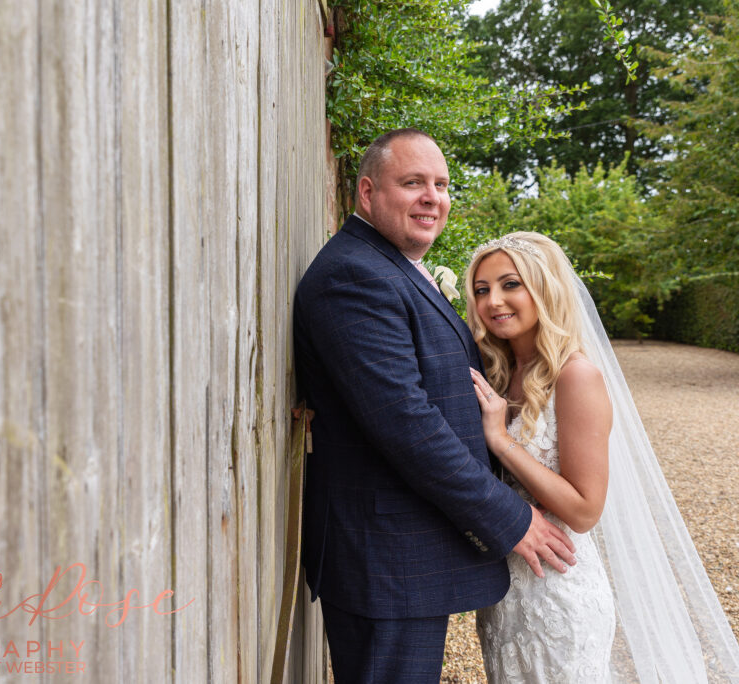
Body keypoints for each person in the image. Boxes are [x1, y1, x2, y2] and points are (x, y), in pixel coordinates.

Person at [292, 129, 576, 684]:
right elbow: (408, 424)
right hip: (386, 560)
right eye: (413, 182)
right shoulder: (355, 277)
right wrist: (509, 517)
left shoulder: (388, 267)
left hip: (407, 552)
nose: (433, 197)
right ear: (367, 193)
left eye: (442, 185)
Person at [466, 231, 739, 683]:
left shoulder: (576, 377)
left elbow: (585, 508)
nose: (493, 301)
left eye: (510, 284)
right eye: (481, 289)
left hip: (556, 590)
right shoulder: (499, 371)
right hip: (504, 591)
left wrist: (500, 439)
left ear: (544, 287)